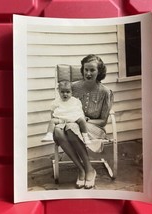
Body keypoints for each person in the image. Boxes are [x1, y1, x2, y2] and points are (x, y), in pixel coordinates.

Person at [53, 54, 113, 189]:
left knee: (71, 128)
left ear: (99, 72)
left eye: (92, 70)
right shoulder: (72, 87)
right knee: (57, 131)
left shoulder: (105, 92)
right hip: (71, 123)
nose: (88, 73)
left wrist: (86, 121)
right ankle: (83, 168)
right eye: (86, 69)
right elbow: (62, 106)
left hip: (94, 128)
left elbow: (103, 121)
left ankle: (88, 169)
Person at [41, 80, 91, 144]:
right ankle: (49, 135)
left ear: (71, 92)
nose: (65, 94)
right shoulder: (56, 102)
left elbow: (79, 110)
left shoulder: (75, 101)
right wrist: (54, 119)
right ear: (58, 92)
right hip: (62, 119)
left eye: (68, 92)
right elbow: (52, 112)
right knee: (52, 121)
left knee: (82, 120)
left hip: (74, 118)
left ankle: (85, 137)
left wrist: (83, 117)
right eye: (62, 92)